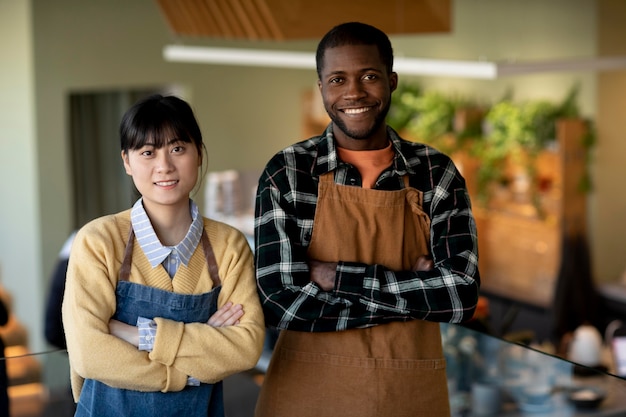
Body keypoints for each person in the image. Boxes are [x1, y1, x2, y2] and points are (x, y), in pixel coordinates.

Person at [254, 22, 480, 417]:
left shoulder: (436, 172)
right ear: (321, 87)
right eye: (338, 79)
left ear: (391, 81)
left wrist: (334, 276)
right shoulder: (288, 172)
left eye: (369, 76)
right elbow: (280, 304)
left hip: (408, 397)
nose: (354, 92)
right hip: (306, 398)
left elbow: (459, 298)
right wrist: (416, 296)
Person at [62, 94, 265, 417]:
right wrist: (191, 367)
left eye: (177, 148)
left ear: (198, 153)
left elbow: (245, 347)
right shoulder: (99, 241)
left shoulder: (229, 245)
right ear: (127, 162)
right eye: (147, 152)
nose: (164, 166)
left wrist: (134, 334)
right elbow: (89, 354)